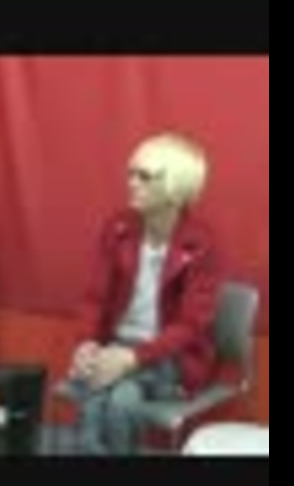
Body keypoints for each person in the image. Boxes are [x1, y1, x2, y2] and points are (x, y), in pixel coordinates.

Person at [66, 132, 223, 455]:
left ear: (175, 188)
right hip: (118, 345)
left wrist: (132, 358)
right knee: (101, 397)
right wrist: (86, 343)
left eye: (144, 176)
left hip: (172, 358)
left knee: (116, 400)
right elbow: (95, 298)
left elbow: (191, 326)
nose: (132, 183)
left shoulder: (202, 243)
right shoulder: (119, 228)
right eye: (131, 173)